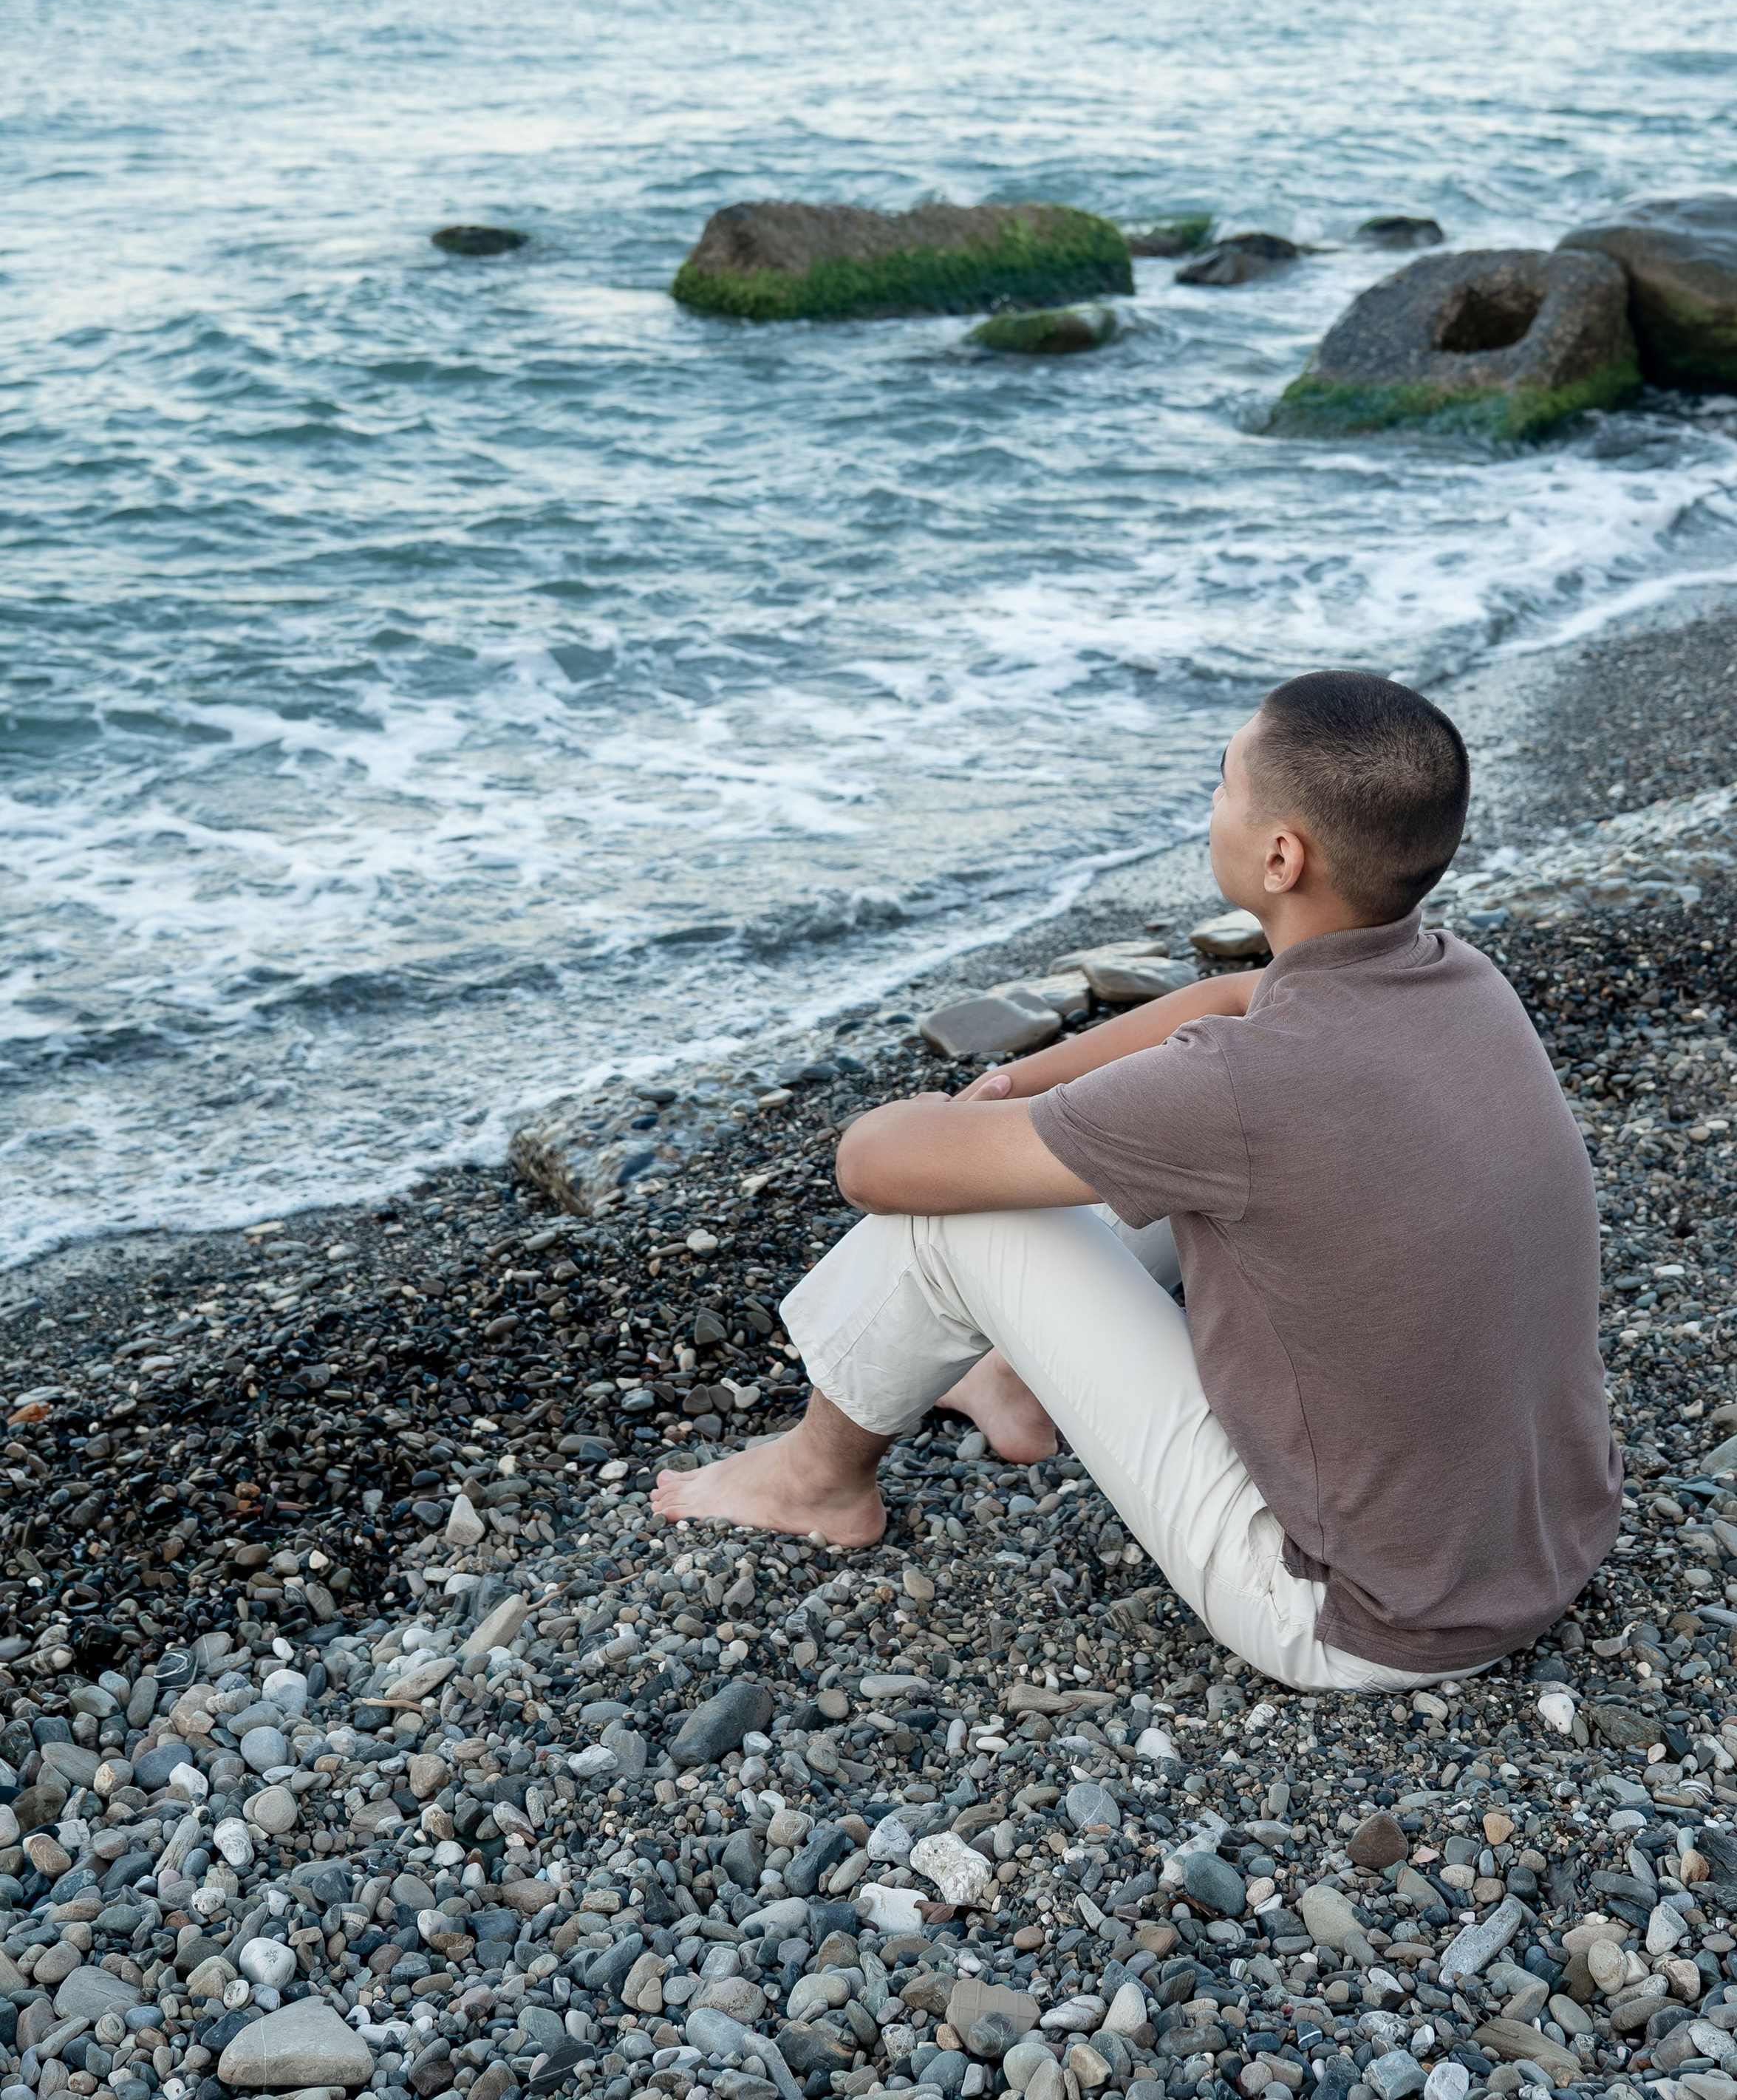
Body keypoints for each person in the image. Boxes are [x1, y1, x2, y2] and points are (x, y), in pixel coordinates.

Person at [655, 669, 1620, 1688]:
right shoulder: (1461, 978)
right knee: (1125, 1156)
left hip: (1357, 1620)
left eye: (1222, 784)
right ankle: (1015, 1375)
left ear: (1281, 855)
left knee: (960, 1218)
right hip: (1544, 1543)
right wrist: (1022, 1081)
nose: (1212, 804)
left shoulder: (1242, 1091)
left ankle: (820, 1480)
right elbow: (1234, 995)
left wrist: (963, 1117)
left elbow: (871, 1165)